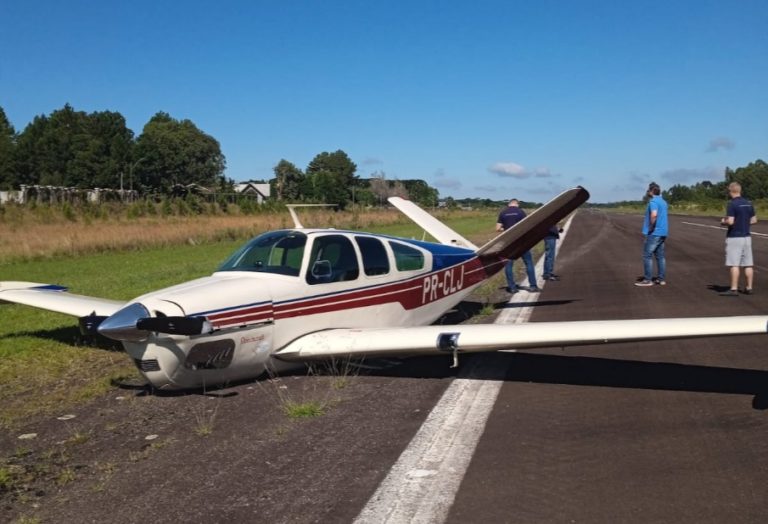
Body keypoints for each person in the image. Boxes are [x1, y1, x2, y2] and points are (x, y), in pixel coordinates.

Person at [719, 182, 757, 296]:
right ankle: (749, 287)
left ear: (731, 191)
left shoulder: (732, 204)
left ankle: (734, 289)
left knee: (734, 263)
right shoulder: (749, 203)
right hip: (747, 236)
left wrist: (723, 221)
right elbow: (754, 220)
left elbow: (730, 221)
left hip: (735, 236)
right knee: (748, 264)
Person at [496, 198, 539, 294]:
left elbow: (497, 228)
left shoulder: (503, 213)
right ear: (517, 204)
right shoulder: (521, 212)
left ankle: (512, 287)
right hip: (521, 241)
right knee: (528, 263)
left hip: (509, 242)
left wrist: (507, 229)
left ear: (509, 204)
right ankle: (533, 286)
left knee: (508, 265)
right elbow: (526, 226)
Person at [635, 182, 668, 287]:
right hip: (663, 232)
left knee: (647, 255)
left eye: (649, 190)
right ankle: (661, 279)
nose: (648, 192)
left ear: (652, 192)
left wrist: (651, 227)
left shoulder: (653, 201)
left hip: (654, 232)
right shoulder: (663, 202)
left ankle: (648, 279)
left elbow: (654, 215)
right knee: (660, 256)